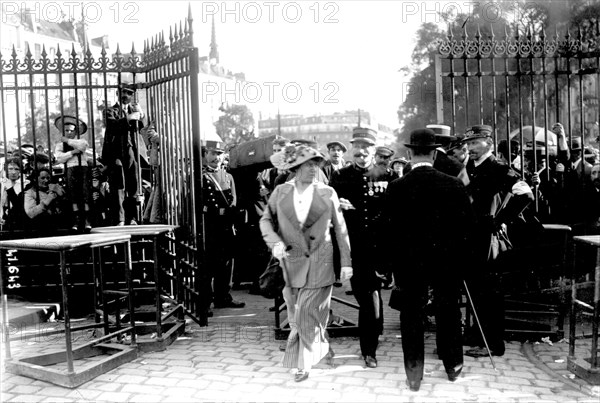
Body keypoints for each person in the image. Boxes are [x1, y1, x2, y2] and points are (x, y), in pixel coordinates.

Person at [385, 128, 474, 391]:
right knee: (448, 311)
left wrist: (391, 266)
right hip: (446, 261)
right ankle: (453, 366)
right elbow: (468, 228)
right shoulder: (453, 184)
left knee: (411, 315)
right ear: (435, 154)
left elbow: (389, 231)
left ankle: (414, 374)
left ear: (410, 154)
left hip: (410, 263)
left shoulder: (397, 187)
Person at [259, 144, 352, 382]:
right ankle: (321, 347)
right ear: (295, 168)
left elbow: (340, 230)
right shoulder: (280, 192)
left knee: (306, 312)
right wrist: (275, 243)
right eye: (308, 165)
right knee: (299, 312)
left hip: (322, 261)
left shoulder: (327, 192)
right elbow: (266, 221)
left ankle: (303, 363)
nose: (314, 169)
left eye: (316, 165)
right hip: (291, 262)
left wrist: (346, 262)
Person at [462, 124, 534, 358]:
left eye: (475, 143)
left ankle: (494, 344)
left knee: (489, 293)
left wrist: (501, 220)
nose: (470, 148)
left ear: (489, 144)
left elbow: (525, 195)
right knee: (475, 290)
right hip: (470, 237)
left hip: (488, 239)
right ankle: (477, 335)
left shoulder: (500, 168)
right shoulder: (469, 167)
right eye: (469, 143)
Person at [329, 126, 396, 369]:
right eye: (357, 146)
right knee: (368, 298)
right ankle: (370, 345)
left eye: (366, 146)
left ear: (374, 148)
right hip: (354, 248)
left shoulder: (386, 175)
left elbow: (393, 214)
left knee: (372, 296)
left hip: (380, 248)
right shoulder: (340, 176)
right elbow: (331, 214)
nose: (361, 151)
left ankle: (371, 342)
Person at [201, 138, 245, 313]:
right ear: (205, 155)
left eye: (219, 154)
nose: (215, 158)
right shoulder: (201, 177)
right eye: (212, 154)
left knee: (226, 264)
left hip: (226, 226)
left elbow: (233, 200)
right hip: (209, 226)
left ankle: (223, 297)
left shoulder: (228, 176)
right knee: (208, 266)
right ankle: (204, 302)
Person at [102, 82, 145, 226]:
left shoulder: (135, 110)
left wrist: (141, 114)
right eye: (123, 92)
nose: (126, 95)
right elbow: (112, 126)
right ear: (117, 94)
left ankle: (132, 217)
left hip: (132, 151)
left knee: (133, 184)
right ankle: (120, 219)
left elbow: (142, 127)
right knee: (118, 186)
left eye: (129, 93)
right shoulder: (110, 110)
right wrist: (128, 118)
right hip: (116, 154)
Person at [54, 115, 92, 231]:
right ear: (63, 131)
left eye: (72, 130)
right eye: (66, 131)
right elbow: (59, 158)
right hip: (71, 168)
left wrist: (68, 141)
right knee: (73, 194)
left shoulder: (80, 141)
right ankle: (76, 219)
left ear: (76, 131)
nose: (69, 132)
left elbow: (83, 146)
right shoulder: (60, 145)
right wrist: (73, 152)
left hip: (83, 168)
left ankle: (86, 219)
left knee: (85, 193)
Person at [0, 158, 29, 231]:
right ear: (5, 169)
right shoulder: (1, 183)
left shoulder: (25, 184)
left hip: (17, 220)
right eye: (10, 169)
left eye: (16, 169)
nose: (13, 172)